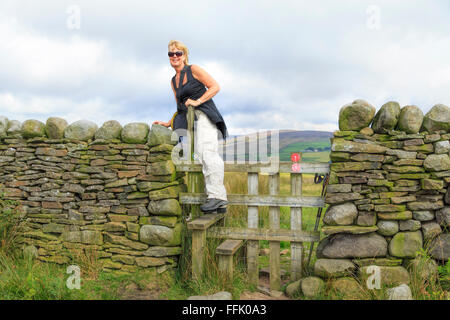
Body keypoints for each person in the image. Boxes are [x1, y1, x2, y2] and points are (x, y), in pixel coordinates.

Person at [153, 40, 228, 213]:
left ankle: (217, 197)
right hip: (192, 119)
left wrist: (198, 101)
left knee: (207, 151)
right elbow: (179, 108)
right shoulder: (174, 81)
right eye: (171, 54)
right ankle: (219, 202)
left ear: (185, 56)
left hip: (205, 114)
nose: (174, 57)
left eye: (178, 53)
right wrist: (169, 123)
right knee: (200, 154)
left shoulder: (193, 69)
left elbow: (215, 86)